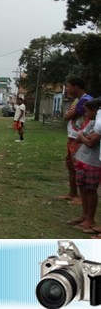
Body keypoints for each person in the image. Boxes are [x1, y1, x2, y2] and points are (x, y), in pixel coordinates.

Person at [67, 98, 101, 234]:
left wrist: (82, 137)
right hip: (82, 158)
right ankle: (84, 216)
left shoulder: (97, 124)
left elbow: (90, 141)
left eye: (87, 111)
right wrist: (82, 137)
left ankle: (90, 219)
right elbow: (81, 136)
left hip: (92, 162)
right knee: (82, 188)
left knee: (90, 190)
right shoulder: (91, 123)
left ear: (95, 111)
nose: (86, 114)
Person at [59, 77, 93, 205]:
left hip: (80, 138)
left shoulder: (86, 100)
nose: (66, 89)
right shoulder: (77, 100)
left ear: (76, 87)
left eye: (68, 86)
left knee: (78, 167)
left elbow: (68, 116)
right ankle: (72, 192)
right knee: (71, 165)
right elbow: (67, 115)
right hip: (73, 136)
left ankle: (81, 197)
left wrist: (68, 114)